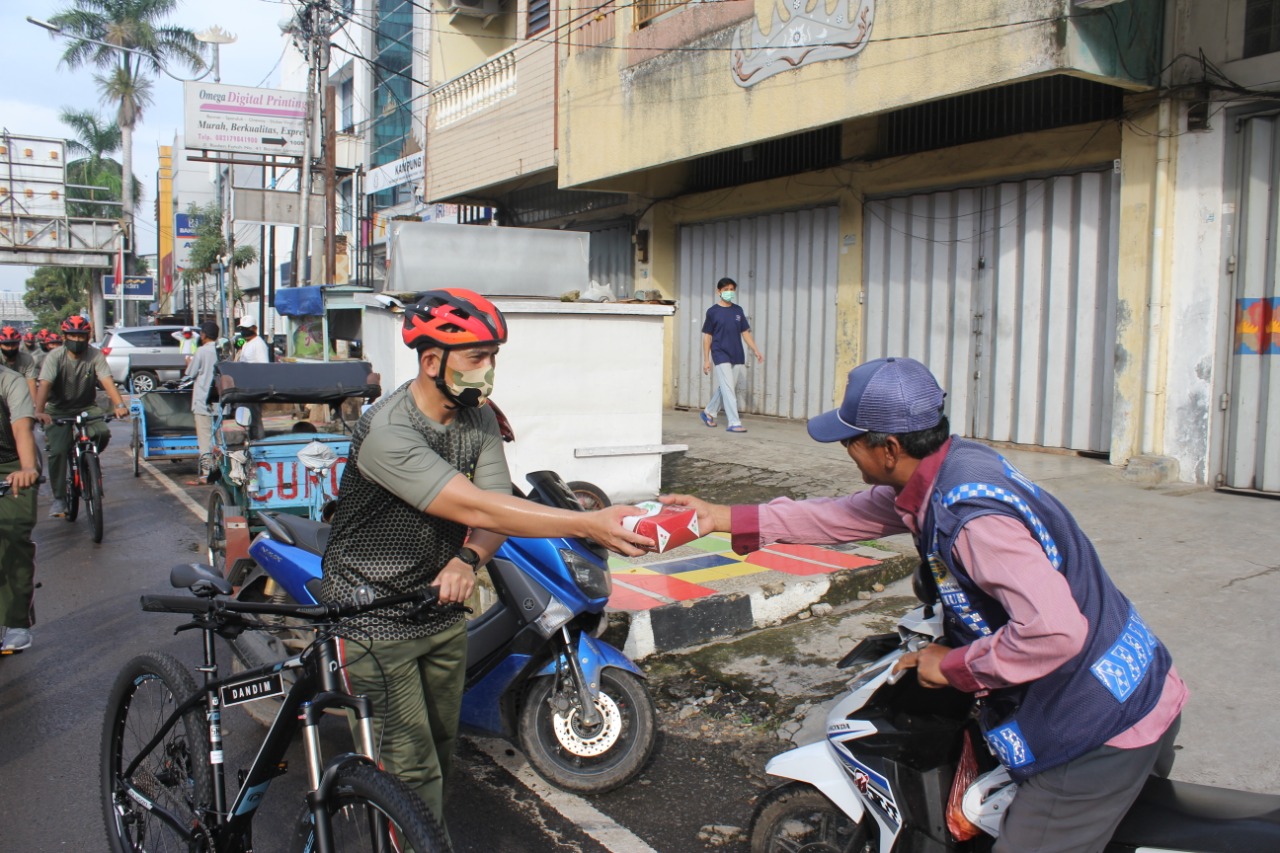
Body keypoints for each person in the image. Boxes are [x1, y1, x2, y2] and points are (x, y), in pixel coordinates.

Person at [663, 356, 1188, 853]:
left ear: (888, 448)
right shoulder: (952, 466)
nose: (847, 451)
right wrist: (719, 516)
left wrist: (954, 666)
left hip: (1095, 725)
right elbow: (842, 517)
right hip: (1140, 678)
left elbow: (1054, 632)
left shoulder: (970, 521)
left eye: (851, 441)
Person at [320, 288, 653, 832]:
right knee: (409, 768)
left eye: (493, 355)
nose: (489, 368)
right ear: (432, 361)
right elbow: (471, 501)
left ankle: (420, 836)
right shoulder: (388, 431)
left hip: (441, 609)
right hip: (374, 615)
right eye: (477, 356)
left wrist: (467, 557)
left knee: (443, 750)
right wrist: (587, 523)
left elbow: (497, 502)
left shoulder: (476, 418)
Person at [34, 316, 129, 518]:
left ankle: (88, 461)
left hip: (86, 406)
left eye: (81, 336)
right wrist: (39, 411)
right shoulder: (55, 357)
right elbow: (44, 385)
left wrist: (120, 405)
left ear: (88, 337)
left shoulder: (95, 355)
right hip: (58, 409)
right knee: (58, 451)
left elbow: (107, 380)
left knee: (102, 433)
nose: (77, 340)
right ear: (64, 336)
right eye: (72, 335)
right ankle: (60, 499)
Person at [0, 363, 41, 653]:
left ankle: (17, 621)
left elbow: (22, 427)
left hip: (12, 465)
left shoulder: (9, 381)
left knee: (13, 536)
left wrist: (27, 468)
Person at [700, 276, 763, 434]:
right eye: (726, 289)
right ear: (718, 291)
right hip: (720, 353)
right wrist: (706, 360)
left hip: (736, 353)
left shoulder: (738, 310)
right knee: (729, 389)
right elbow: (707, 337)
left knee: (726, 387)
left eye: (731, 290)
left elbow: (745, 333)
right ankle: (734, 422)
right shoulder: (713, 312)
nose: (729, 292)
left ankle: (708, 412)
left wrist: (755, 349)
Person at [183, 322, 220, 486]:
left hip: (203, 401)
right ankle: (220, 471)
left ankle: (207, 474)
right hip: (219, 402)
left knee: (205, 440)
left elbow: (190, 373)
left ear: (204, 335)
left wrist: (188, 363)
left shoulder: (201, 351)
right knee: (218, 440)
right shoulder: (222, 351)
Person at [0, 326, 38, 399]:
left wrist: (34, 405)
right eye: (6, 345)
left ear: (18, 344)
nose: (10, 348)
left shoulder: (27, 359)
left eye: (13, 344)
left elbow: (31, 382)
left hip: (20, 394)